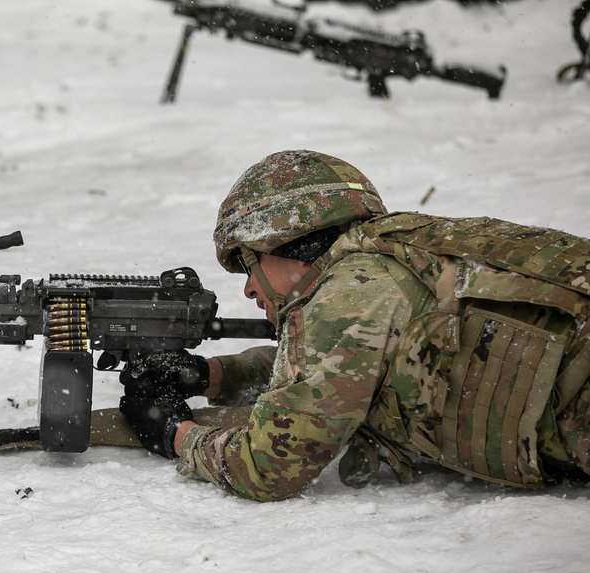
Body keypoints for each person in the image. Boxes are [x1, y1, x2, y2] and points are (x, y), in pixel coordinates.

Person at [119, 149, 590, 501]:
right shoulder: (379, 265)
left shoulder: (349, 294)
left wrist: (175, 434)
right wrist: (210, 376)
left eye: (247, 265)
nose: (248, 289)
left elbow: (268, 467)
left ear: (284, 241)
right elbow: (338, 370)